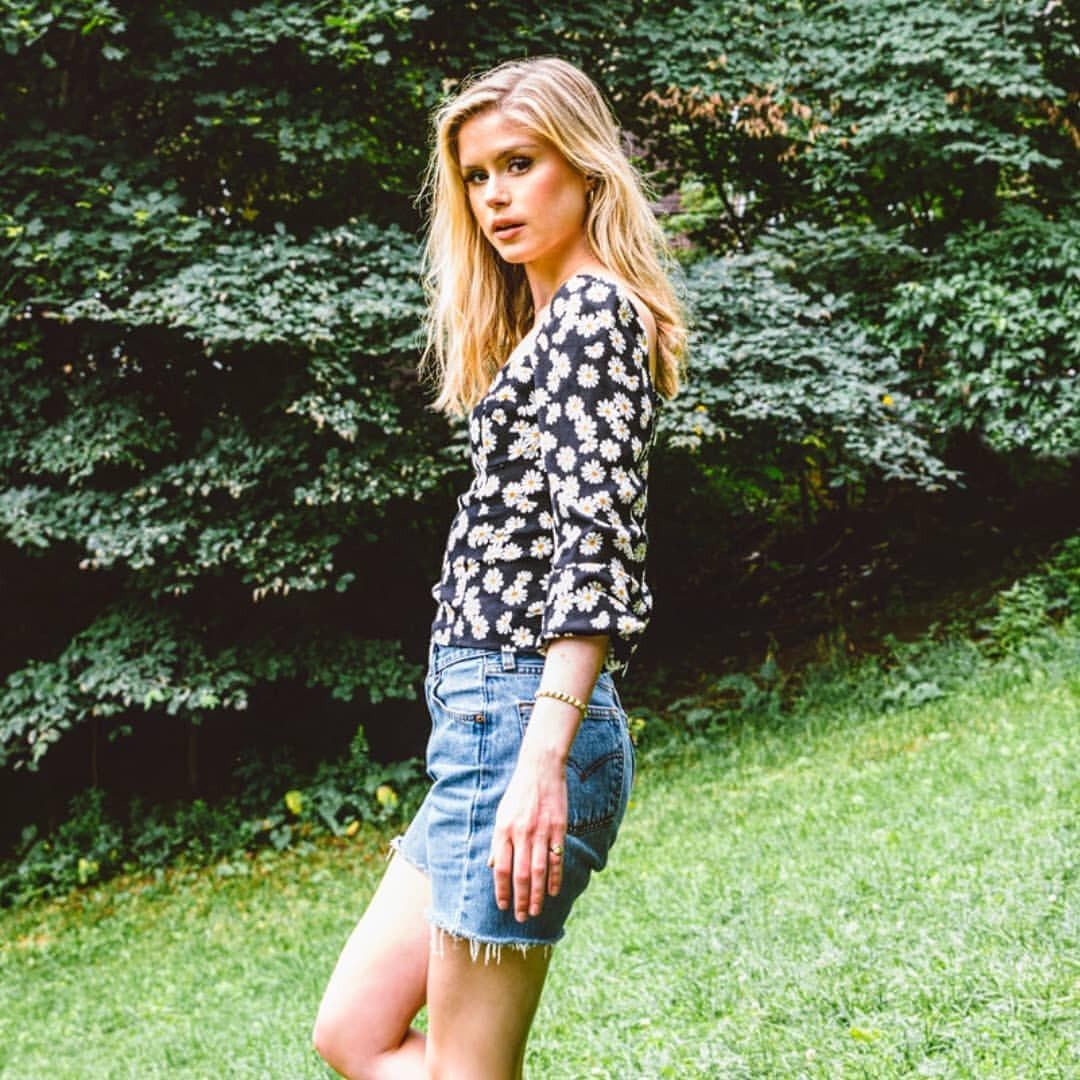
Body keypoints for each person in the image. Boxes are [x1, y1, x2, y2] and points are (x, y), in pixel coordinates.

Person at [312, 54, 687, 1079]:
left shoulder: (593, 315)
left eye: (521, 164)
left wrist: (540, 763)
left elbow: (596, 548)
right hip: (481, 722)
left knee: (467, 1069)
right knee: (353, 1032)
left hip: (522, 717)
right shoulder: (550, 325)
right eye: (477, 176)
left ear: (586, 167)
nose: (495, 197)